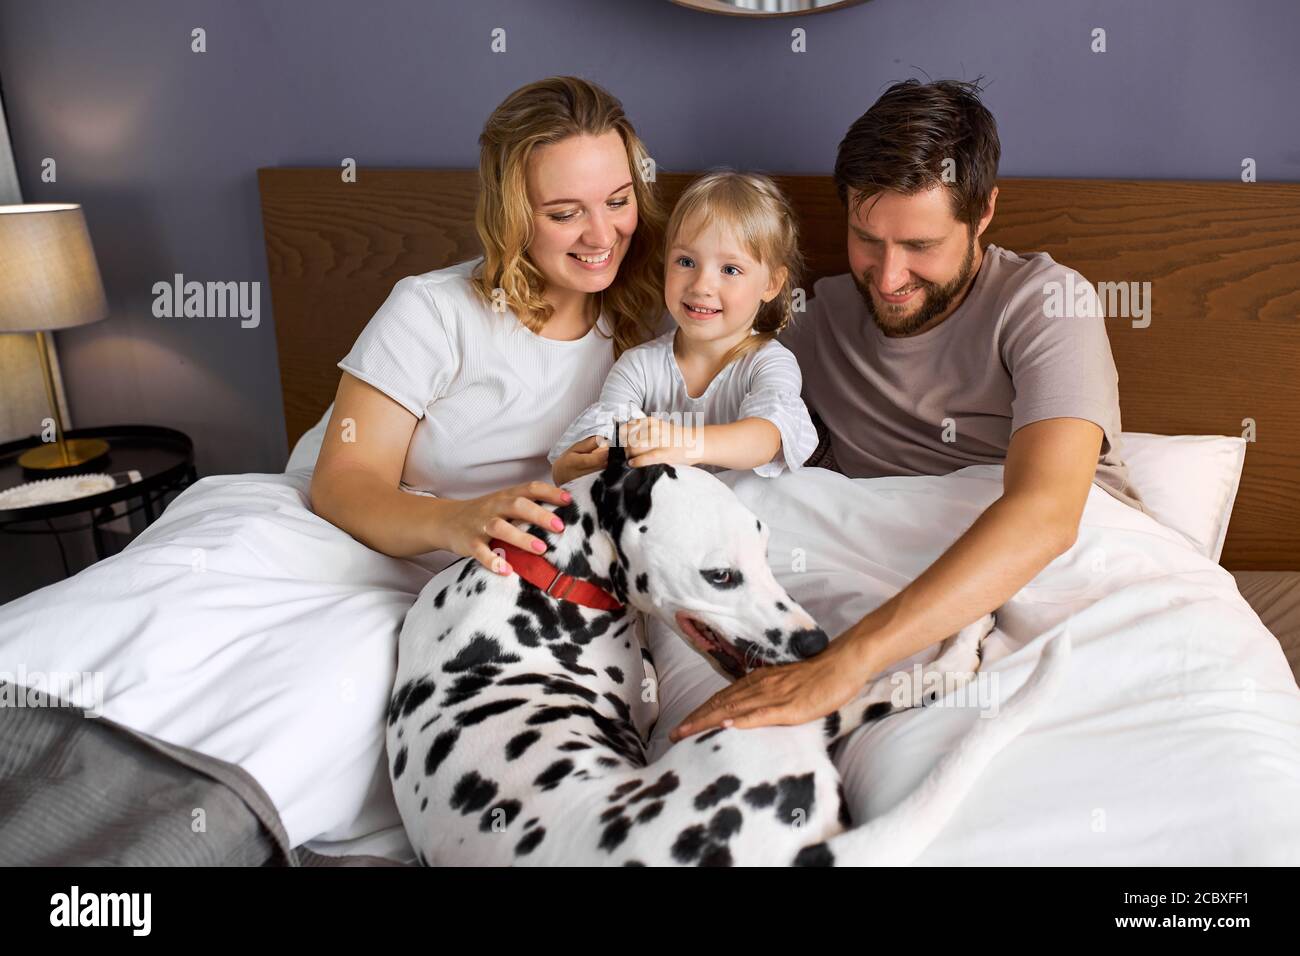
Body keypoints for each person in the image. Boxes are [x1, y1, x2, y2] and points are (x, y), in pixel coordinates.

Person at [665, 79, 1143, 744]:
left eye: (920, 246)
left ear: (983, 215)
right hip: (878, 580)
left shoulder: (1045, 304)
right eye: (867, 238)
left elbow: (1048, 515)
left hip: (1063, 579)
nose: (888, 278)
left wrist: (845, 663)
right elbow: (698, 417)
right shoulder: (810, 322)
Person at [309, 76, 665, 578]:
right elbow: (342, 482)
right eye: (565, 213)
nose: (603, 235)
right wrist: (456, 520)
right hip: (410, 560)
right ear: (511, 216)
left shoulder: (660, 314)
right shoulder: (432, 310)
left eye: (617, 201)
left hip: (556, 575)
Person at [548, 170, 817, 482]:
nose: (702, 285)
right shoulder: (639, 366)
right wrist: (575, 467)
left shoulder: (768, 362)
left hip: (747, 512)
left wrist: (686, 444)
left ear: (771, 283)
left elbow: (767, 437)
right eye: (686, 262)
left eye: (730, 269)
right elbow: (605, 438)